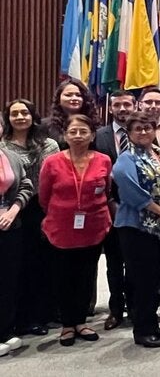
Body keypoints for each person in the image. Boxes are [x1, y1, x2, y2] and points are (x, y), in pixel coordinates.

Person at [38, 114, 112, 346]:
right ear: (65, 135)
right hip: (61, 228)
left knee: (86, 276)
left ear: (92, 135)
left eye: (83, 131)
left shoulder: (103, 160)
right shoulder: (52, 162)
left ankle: (81, 321)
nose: (78, 136)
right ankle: (67, 324)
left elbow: (106, 190)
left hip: (93, 226)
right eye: (73, 132)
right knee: (62, 276)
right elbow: (44, 196)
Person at [112, 111, 160, 348]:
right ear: (130, 134)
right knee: (141, 279)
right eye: (137, 129)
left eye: (147, 128)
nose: (143, 132)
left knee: (155, 276)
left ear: (154, 130)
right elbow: (130, 191)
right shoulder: (126, 159)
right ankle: (141, 329)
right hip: (136, 227)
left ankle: (152, 322)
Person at [1, 99, 58, 337]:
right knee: (17, 268)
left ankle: (38, 316)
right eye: (14, 114)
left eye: (25, 112)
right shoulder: (3, 147)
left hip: (45, 207)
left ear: (33, 116)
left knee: (41, 264)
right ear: (8, 119)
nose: (20, 117)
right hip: (15, 212)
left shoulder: (49, 144)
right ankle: (16, 319)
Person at [93, 90, 136, 330]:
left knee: (136, 261)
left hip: (139, 208)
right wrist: (110, 203)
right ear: (111, 108)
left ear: (134, 105)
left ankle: (135, 305)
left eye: (126, 104)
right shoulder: (99, 136)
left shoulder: (142, 134)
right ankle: (116, 309)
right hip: (108, 208)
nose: (122, 109)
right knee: (114, 262)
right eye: (117, 105)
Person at [0, 137, 34, 357]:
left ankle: (4, 330)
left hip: (11, 225)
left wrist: (14, 209)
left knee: (8, 279)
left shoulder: (9, 155)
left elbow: (26, 185)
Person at [42, 78, 101, 149]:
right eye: (68, 95)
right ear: (59, 99)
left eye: (78, 95)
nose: (74, 98)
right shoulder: (45, 126)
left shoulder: (95, 124)